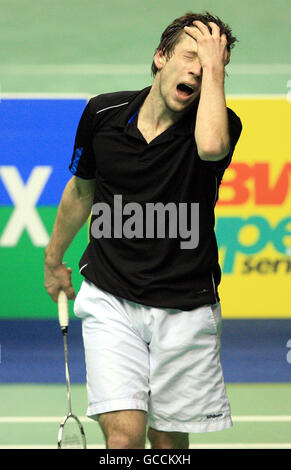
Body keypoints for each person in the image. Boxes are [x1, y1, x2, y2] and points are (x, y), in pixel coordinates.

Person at [44, 11, 242, 449]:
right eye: (191, 54)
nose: (198, 68)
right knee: (124, 439)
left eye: (213, 63)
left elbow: (211, 148)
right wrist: (53, 259)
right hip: (111, 296)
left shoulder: (219, 126)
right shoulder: (103, 114)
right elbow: (81, 190)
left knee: (168, 443)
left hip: (185, 305)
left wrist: (213, 69)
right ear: (160, 57)